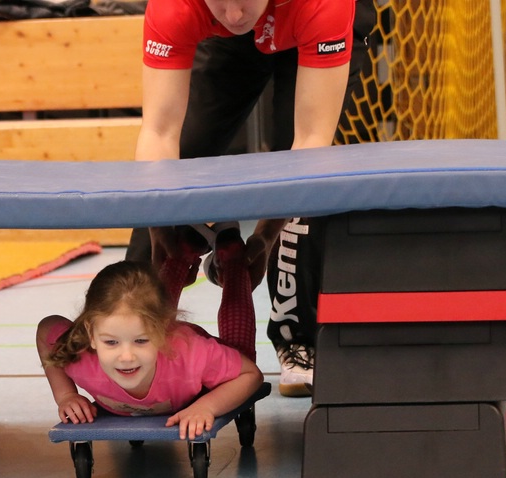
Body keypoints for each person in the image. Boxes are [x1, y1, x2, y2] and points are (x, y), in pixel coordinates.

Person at [131, 0, 378, 397]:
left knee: (302, 177)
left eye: (243, 0)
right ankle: (130, 320)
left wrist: (266, 235)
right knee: (181, 156)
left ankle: (298, 340)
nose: (233, 14)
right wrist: (159, 228)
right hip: (231, 45)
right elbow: (159, 133)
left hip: (311, 19)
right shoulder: (176, 6)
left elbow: (309, 145)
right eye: (220, 1)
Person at [37, 260, 264, 440]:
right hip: (156, 329)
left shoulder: (192, 355)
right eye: (111, 342)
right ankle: (180, 254)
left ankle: (234, 263)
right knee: (153, 303)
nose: (126, 357)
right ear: (91, 334)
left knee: (241, 352)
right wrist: (66, 395)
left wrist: (207, 406)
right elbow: (46, 327)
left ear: (162, 333)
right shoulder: (79, 355)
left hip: (197, 359)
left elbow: (250, 374)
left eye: (141, 341)